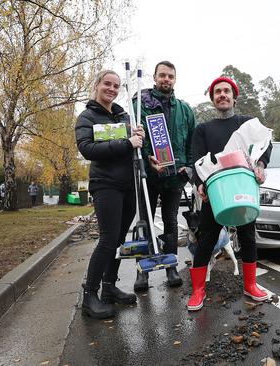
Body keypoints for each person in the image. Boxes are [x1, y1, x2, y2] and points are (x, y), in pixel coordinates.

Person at [187, 76, 271, 311]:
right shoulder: (203, 129)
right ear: (213, 99)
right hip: (216, 190)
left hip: (243, 187)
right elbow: (197, 160)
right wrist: (200, 183)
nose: (222, 95)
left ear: (234, 97)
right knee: (207, 239)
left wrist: (261, 165)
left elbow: (266, 144)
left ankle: (250, 284)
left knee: (247, 236)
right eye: (217, 92)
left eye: (226, 91)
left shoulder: (247, 123)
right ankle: (198, 290)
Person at [75, 70, 144, 319]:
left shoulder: (123, 116)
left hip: (128, 185)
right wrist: (127, 142)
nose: (112, 89)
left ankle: (109, 287)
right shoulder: (87, 116)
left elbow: (131, 147)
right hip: (105, 185)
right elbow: (87, 148)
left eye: (116, 86)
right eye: (107, 84)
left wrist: (139, 140)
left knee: (118, 241)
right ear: (97, 85)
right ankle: (89, 296)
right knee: (108, 238)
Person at [132, 61, 196, 291]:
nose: (166, 79)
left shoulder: (185, 110)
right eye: (162, 75)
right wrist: (148, 157)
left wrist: (188, 168)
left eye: (170, 76)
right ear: (155, 77)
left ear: (175, 79)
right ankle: (143, 271)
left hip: (174, 177)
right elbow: (136, 137)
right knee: (146, 222)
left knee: (170, 223)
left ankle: (170, 266)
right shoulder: (140, 104)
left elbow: (192, 142)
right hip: (147, 174)